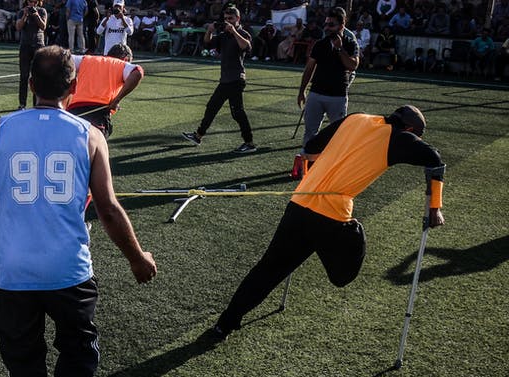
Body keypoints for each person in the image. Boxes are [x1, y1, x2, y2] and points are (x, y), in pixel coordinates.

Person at [0, 45, 157, 377]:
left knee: (24, 359)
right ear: (72, 86)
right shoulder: (90, 135)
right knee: (78, 350)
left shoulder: (0, 128)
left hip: (15, 272)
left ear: (31, 83)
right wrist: (137, 258)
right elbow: (107, 208)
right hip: (69, 268)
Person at [213, 106, 445, 337]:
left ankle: (226, 321)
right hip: (332, 217)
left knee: (268, 269)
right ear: (410, 128)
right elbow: (434, 159)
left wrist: (316, 172)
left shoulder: (356, 118)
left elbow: (312, 147)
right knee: (342, 276)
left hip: (300, 203)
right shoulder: (400, 138)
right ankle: (355, 231)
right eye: (416, 135)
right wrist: (435, 207)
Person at [181, 4, 255, 153]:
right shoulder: (223, 35)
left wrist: (233, 31)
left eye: (231, 18)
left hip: (236, 79)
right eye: (226, 18)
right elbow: (207, 43)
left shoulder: (242, 33)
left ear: (237, 18)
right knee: (212, 107)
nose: (228, 21)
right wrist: (209, 30)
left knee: (237, 113)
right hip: (226, 79)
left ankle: (249, 143)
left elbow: (246, 47)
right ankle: (198, 135)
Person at [297, 7, 358, 150]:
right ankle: (307, 165)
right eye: (326, 24)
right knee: (310, 133)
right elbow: (309, 68)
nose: (327, 28)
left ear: (342, 25)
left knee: (338, 135)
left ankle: (332, 167)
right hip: (316, 94)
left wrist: (339, 49)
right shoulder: (320, 44)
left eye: (331, 25)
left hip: (337, 96)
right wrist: (302, 91)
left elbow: (353, 65)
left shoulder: (350, 43)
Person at [66, 43, 143, 139]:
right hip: (98, 114)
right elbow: (138, 72)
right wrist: (116, 100)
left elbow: (63, 59)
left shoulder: (86, 59)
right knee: (96, 150)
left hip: (72, 112)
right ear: (126, 59)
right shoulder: (122, 65)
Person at [15, 0, 46, 109]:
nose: (32, 4)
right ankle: (22, 103)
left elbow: (43, 26)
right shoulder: (21, 12)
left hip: (38, 46)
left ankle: (36, 103)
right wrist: (25, 15)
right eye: (30, 1)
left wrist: (36, 14)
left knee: (37, 76)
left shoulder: (42, 11)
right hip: (25, 46)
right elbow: (18, 27)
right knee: (24, 76)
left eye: (34, 2)